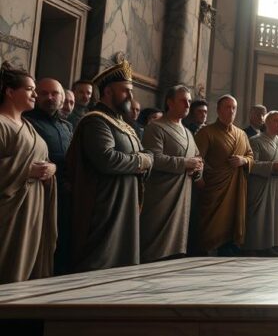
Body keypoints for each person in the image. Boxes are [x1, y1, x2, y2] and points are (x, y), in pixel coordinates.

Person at [67, 60, 153, 271]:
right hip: (105, 204)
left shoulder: (124, 124)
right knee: (100, 261)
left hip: (125, 202)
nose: (131, 97)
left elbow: (146, 153)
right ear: (108, 91)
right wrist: (142, 160)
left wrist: (145, 159)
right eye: (125, 91)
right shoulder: (96, 121)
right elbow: (107, 159)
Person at [0, 63, 57, 284]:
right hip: (9, 212)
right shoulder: (2, 124)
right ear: (10, 91)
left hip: (32, 208)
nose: (35, 94)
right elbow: (25, 165)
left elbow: (43, 159)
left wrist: (52, 168)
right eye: (30, 89)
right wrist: (25, 170)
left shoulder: (28, 125)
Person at [140, 85, 203, 263]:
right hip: (162, 196)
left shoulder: (188, 133)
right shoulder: (156, 127)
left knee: (177, 249)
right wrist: (185, 163)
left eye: (189, 101)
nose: (187, 104)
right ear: (170, 102)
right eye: (183, 101)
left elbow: (197, 157)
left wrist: (198, 168)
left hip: (183, 197)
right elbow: (153, 159)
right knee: (155, 249)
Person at [23, 77, 72, 274]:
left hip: (65, 193)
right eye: (44, 93)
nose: (50, 97)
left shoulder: (66, 126)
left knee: (61, 242)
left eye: (55, 93)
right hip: (38, 192)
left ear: (62, 98)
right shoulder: (27, 121)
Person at [195, 95, 254, 256]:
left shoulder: (241, 134)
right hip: (214, 185)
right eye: (227, 107)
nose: (231, 111)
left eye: (234, 108)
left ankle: (229, 245)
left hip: (236, 185)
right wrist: (200, 177)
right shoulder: (206, 132)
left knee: (233, 217)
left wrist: (243, 160)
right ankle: (206, 247)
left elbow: (250, 156)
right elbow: (198, 158)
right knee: (211, 221)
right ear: (218, 110)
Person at [245, 111, 278, 254]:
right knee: (259, 215)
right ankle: (254, 246)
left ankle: (270, 245)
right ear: (266, 123)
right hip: (260, 184)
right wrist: (272, 166)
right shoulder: (255, 140)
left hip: (277, 184)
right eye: (276, 121)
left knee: (274, 214)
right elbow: (251, 164)